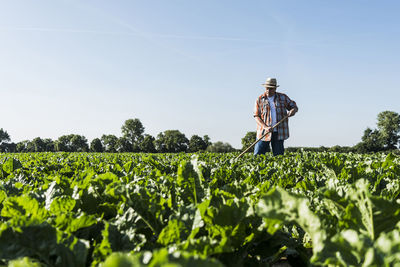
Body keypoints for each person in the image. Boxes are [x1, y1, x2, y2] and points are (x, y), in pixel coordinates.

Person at [253, 77, 298, 156]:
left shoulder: (283, 97)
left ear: (275, 89)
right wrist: (265, 127)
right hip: (263, 132)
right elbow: (256, 116)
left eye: (271, 89)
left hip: (279, 132)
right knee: (258, 155)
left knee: (278, 156)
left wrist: (293, 111)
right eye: (267, 88)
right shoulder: (259, 99)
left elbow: (293, 106)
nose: (268, 91)